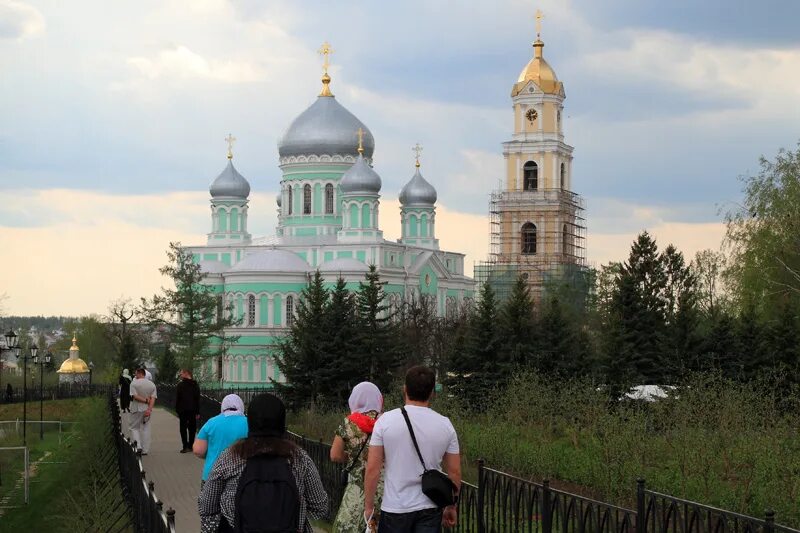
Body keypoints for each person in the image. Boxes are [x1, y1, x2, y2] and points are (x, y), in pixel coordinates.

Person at [198, 393, 328, 533]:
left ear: (250, 421)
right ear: (281, 422)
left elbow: (206, 506)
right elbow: (320, 506)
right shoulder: (299, 459)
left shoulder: (230, 458)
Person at [364, 365, 461, 533]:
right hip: (430, 507)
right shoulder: (445, 424)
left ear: (405, 389)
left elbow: (373, 469)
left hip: (395, 507)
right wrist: (451, 506)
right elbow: (454, 472)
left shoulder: (385, 422)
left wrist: (369, 507)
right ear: (432, 392)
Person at [331, 382, 384, 532]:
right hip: (384, 490)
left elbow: (335, 455)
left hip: (357, 490)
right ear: (378, 399)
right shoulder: (387, 421)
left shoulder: (348, 424)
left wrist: (351, 457)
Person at [193, 394, 249, 487]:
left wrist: (210, 454)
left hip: (212, 473)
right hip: (241, 475)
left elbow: (198, 450)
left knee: (209, 501)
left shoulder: (212, 422)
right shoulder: (249, 423)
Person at [129, 367, 157, 455]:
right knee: (146, 428)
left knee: (134, 427)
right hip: (146, 409)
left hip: (136, 408)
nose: (135, 375)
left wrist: (145, 400)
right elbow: (153, 398)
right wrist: (149, 409)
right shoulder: (152, 384)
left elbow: (134, 396)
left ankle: (138, 447)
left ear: (140, 373)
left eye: (136, 373)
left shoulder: (134, 383)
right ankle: (145, 450)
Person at [175, 368, 201, 453]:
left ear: (186, 373)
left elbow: (178, 398)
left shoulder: (180, 385)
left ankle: (185, 446)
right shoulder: (195, 385)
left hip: (182, 410)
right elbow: (197, 399)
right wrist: (197, 411)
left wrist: (177, 409)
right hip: (192, 409)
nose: (181, 375)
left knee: (183, 428)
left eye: (182, 374)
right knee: (192, 428)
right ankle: (191, 446)